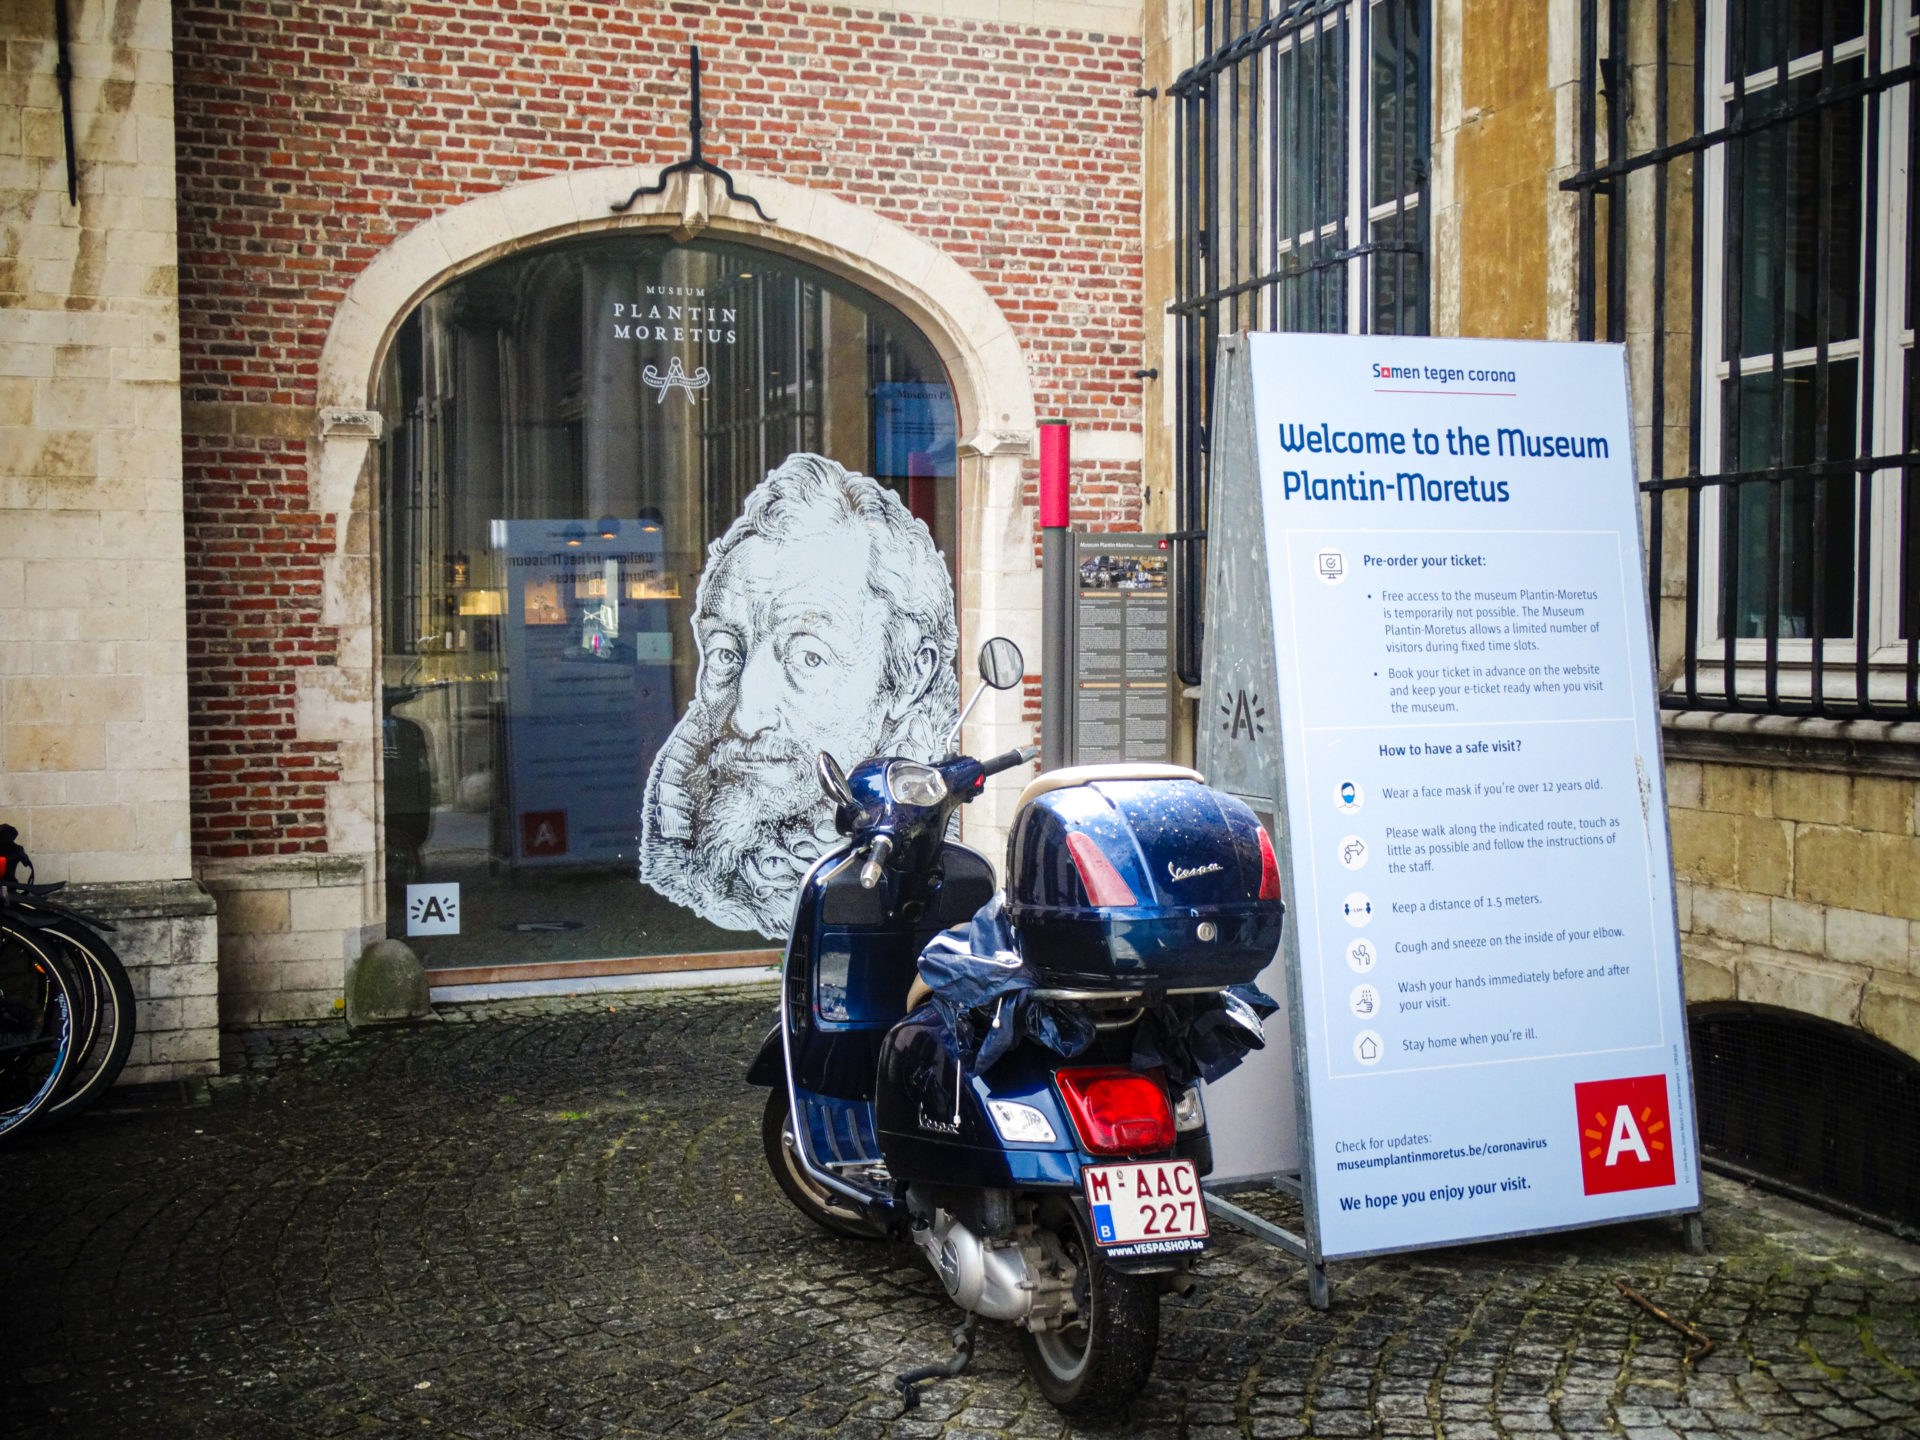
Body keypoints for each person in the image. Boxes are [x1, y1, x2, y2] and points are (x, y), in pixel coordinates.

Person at [640, 453, 959, 937]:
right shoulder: (684, 821)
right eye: (725, 653)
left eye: (809, 658)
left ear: (909, 677)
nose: (746, 715)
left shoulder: (936, 853)